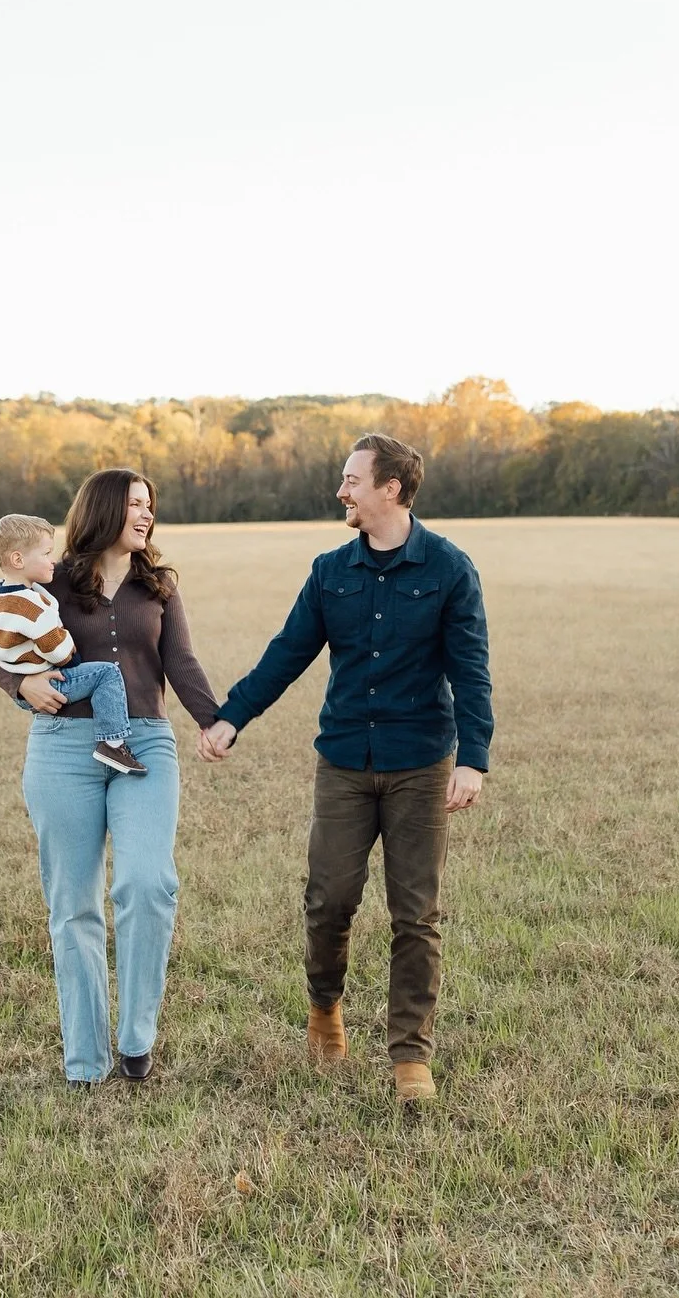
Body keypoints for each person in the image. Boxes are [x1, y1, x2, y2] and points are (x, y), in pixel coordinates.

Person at [199, 432, 493, 1103]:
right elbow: (287, 653)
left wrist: (473, 760)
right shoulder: (331, 571)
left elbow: (472, 673)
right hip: (344, 764)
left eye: (353, 480)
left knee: (416, 914)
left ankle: (410, 1056)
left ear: (391, 487)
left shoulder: (449, 569)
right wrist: (231, 716)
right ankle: (325, 1009)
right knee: (329, 900)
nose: (342, 491)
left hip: (421, 761)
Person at [0, 467, 221, 1086]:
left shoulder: (158, 585)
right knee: (73, 907)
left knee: (147, 884)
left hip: (145, 744)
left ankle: (136, 1039)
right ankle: (86, 1061)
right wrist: (21, 683)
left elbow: (181, 661)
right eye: (136, 504)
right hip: (62, 749)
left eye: (150, 505)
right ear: (107, 510)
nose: (146, 515)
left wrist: (217, 721)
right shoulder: (49, 577)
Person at [0, 512, 146, 775]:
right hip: (51, 682)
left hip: (25, 688)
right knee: (107, 673)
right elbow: (58, 650)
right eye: (45, 554)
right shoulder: (32, 608)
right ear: (18, 559)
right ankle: (113, 742)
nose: (52, 559)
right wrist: (71, 650)